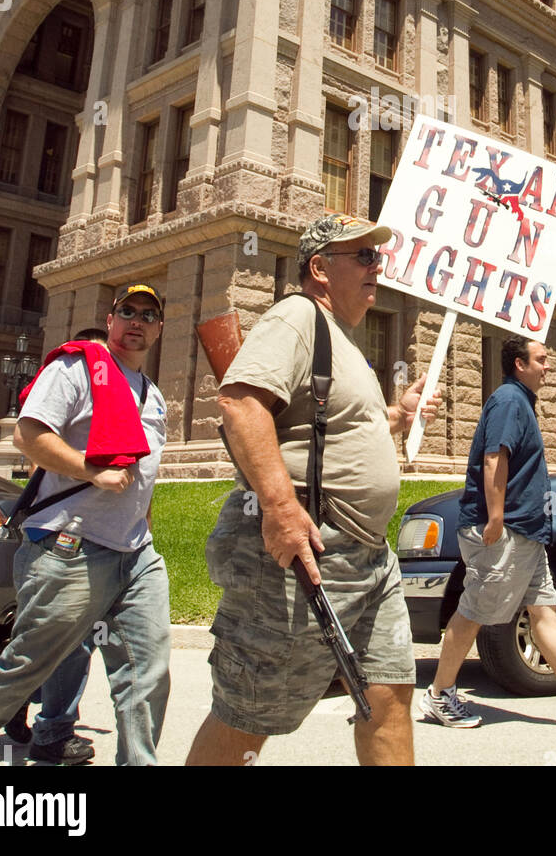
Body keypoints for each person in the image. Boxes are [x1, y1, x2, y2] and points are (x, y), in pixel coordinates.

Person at [186, 213, 438, 768]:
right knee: (249, 712)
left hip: (371, 559)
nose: (378, 266)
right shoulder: (298, 316)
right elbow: (241, 402)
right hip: (307, 555)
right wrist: (279, 507)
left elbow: (336, 428)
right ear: (320, 269)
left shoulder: (344, 341)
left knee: (389, 695)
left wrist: (398, 414)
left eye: (378, 256)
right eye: (364, 257)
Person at [0, 284, 171, 766]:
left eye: (149, 314)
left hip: (136, 554)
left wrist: (143, 529)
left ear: (159, 328)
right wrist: (91, 470)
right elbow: (27, 434)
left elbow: (143, 477)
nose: (137, 320)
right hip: (71, 546)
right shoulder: (75, 369)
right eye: (127, 311)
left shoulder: (154, 395)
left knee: (147, 670)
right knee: (27, 666)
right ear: (110, 320)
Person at [420, 334, 556, 729]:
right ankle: (438, 695)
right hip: (505, 531)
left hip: (527, 533)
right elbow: (493, 457)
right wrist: (496, 518)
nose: (548, 366)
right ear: (519, 364)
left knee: (543, 610)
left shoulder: (521, 402)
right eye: (541, 359)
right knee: (473, 611)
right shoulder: (508, 401)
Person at [4, 327, 108, 764]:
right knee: (56, 638)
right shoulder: (64, 391)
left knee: (61, 637)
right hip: (57, 533)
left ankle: (42, 719)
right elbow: (28, 443)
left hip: (84, 536)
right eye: (99, 361)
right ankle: (41, 723)